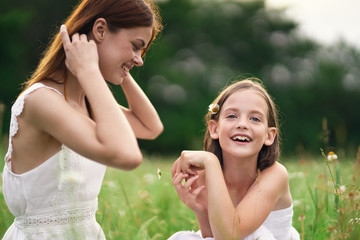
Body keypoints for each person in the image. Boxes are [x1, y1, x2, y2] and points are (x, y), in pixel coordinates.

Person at [2, 0, 163, 239]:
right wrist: (89, 70)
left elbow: (150, 127)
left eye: (142, 51)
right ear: (100, 30)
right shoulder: (42, 101)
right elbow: (127, 156)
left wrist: (122, 68)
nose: (139, 59)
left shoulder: (85, 103)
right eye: (135, 46)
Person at [169, 79, 300, 240]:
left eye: (255, 119)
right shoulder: (207, 176)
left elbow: (232, 235)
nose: (242, 124)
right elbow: (213, 236)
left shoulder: (275, 174)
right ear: (214, 129)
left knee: (253, 235)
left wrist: (210, 160)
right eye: (232, 116)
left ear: (269, 135)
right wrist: (201, 211)